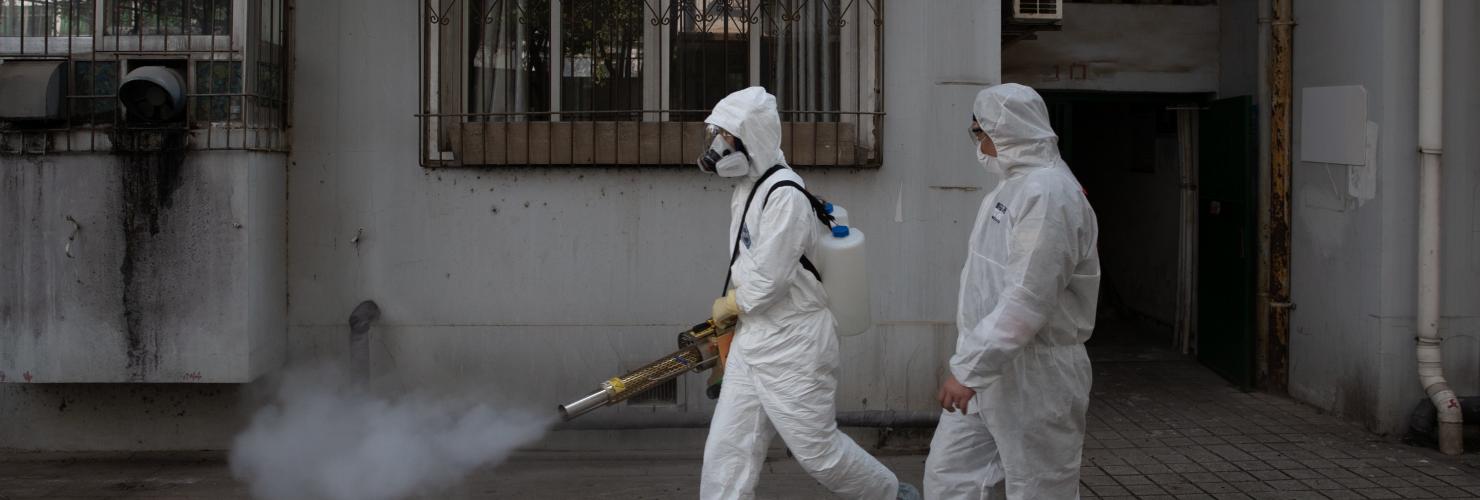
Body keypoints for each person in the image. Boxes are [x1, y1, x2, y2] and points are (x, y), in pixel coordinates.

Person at [698, 87, 919, 500]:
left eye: (725, 137)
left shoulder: (784, 196)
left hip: (793, 342)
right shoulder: (750, 185)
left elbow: (768, 282)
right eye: (717, 136)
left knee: (819, 454)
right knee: (728, 447)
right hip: (756, 338)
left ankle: (893, 495)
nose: (716, 147)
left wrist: (731, 303)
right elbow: (748, 261)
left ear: (752, 138)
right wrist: (731, 313)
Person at [924, 83, 1102, 500]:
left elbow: (1028, 298)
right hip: (990, 368)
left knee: (1041, 488)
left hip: (1035, 374)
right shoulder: (1013, 187)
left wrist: (970, 369)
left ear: (1008, 132)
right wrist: (973, 364)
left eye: (979, 131)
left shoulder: (1049, 194)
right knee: (950, 479)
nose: (978, 142)